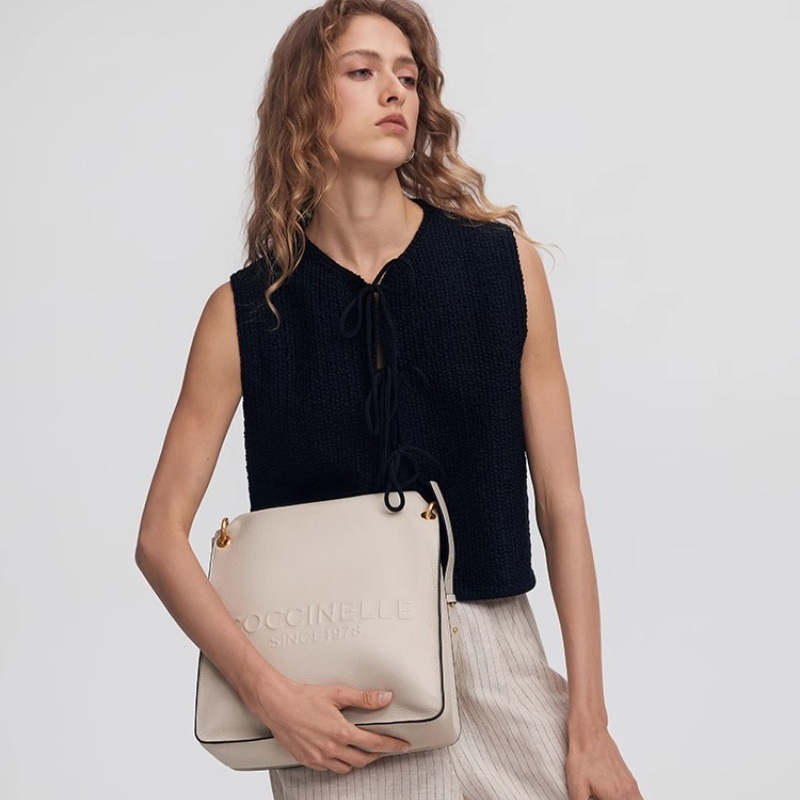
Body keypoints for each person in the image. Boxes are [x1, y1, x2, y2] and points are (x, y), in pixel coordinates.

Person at [135, 1, 645, 798]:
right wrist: (272, 698)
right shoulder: (244, 315)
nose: (394, 91)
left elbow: (562, 502)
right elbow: (159, 538)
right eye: (362, 71)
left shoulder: (502, 268)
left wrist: (590, 725)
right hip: (334, 707)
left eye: (407, 75)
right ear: (305, 100)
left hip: (499, 668)